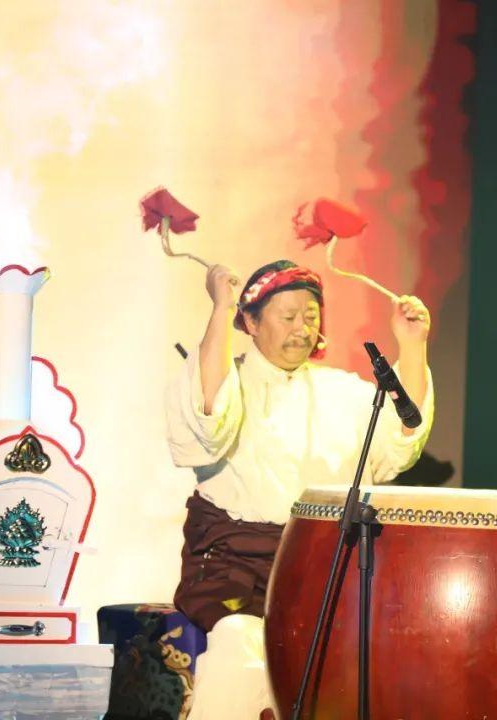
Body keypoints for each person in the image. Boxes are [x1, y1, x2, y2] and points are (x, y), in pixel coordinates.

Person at [165, 259, 434, 719]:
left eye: (310, 316)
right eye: (288, 316)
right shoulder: (228, 380)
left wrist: (413, 345)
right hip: (237, 567)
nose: (302, 329)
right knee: (240, 644)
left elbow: (401, 440)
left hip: (323, 566)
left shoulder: (341, 392)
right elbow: (207, 420)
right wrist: (221, 307)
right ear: (251, 322)